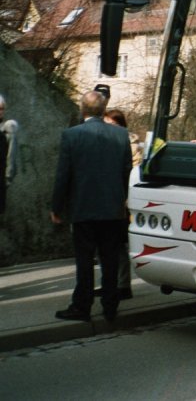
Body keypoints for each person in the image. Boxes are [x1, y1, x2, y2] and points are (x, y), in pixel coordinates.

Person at [50, 90, 133, 322]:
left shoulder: (71, 135)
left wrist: (57, 207)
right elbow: (127, 172)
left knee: (84, 260)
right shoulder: (120, 135)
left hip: (83, 207)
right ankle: (110, 305)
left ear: (82, 109)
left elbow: (63, 175)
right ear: (103, 109)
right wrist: (126, 202)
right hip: (112, 207)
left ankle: (82, 305)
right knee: (110, 259)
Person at [102, 108, 142, 299]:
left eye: (113, 124)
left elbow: (132, 172)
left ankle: (123, 284)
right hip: (107, 197)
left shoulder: (130, 143)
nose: (109, 128)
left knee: (117, 243)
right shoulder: (105, 141)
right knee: (106, 244)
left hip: (122, 199)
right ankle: (110, 282)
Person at [0, 94, 20, 216]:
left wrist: (7, 179)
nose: (0, 112)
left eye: (2, 108)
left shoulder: (8, 128)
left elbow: (11, 156)